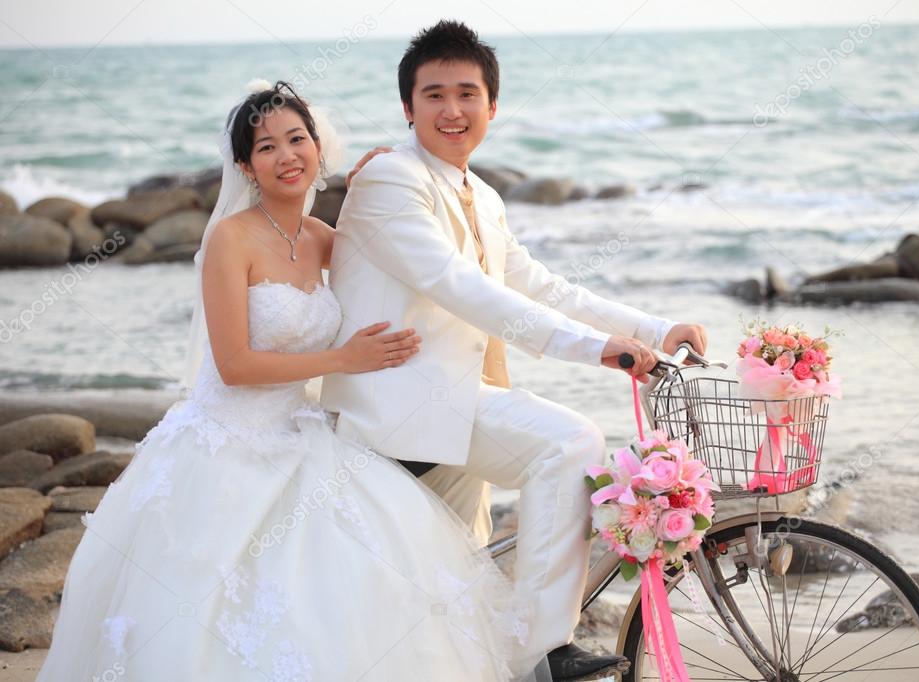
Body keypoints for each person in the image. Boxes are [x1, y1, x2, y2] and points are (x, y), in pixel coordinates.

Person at [37, 81, 547, 682]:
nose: (287, 156)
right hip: (224, 444)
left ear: (317, 149)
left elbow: (407, 266)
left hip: (302, 433)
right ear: (246, 166)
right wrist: (346, 360)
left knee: (358, 583)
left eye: (297, 140)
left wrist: (385, 177)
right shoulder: (231, 239)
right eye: (267, 146)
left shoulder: (321, 239)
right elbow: (236, 365)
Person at [322, 21, 709, 681]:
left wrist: (653, 327)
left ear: (492, 107)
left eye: (467, 94)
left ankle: (514, 654)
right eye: (434, 95)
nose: (452, 110)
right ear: (407, 107)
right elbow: (461, 287)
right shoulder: (391, 180)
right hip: (403, 405)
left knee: (449, 603)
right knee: (569, 444)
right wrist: (593, 350)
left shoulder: (483, 195)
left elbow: (538, 284)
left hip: (458, 401)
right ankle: (545, 654)